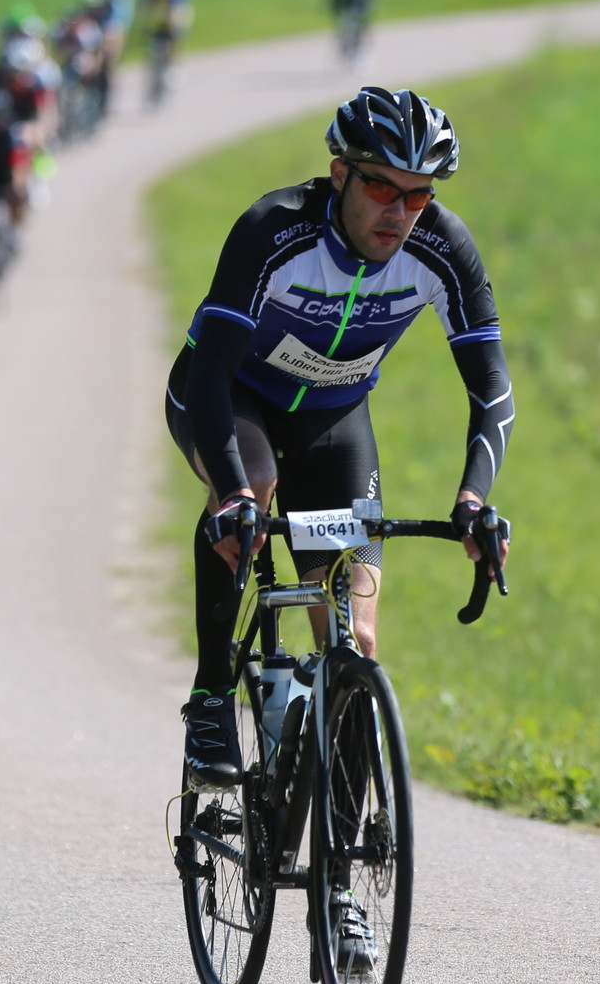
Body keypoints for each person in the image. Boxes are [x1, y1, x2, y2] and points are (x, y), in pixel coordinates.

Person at [165, 87, 513, 788]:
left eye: (418, 195)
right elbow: (209, 378)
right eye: (382, 187)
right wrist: (231, 493)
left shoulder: (442, 246)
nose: (399, 211)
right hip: (231, 397)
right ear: (339, 174)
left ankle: (347, 847)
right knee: (253, 486)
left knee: (357, 640)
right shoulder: (273, 229)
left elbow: (493, 391)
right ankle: (210, 697)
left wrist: (474, 499)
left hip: (334, 418)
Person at [330, 0, 376, 65]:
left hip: (359, 9)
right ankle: (345, 48)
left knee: (359, 30)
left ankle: (358, 50)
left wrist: (365, 7)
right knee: (344, 30)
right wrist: (335, 6)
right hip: (346, 8)